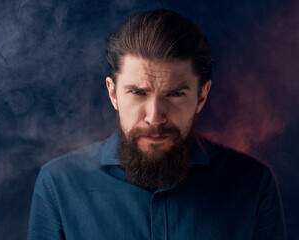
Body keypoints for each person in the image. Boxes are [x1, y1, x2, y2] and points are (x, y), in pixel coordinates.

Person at [27, 9, 286, 240]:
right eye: (138, 93)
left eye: (174, 94)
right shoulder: (59, 184)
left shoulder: (253, 184)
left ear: (202, 96)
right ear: (113, 93)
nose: (154, 117)